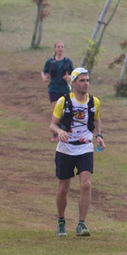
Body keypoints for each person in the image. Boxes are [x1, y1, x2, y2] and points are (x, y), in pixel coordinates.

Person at [49, 67, 103, 237]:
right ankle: (61, 220)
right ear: (73, 83)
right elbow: (52, 124)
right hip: (65, 149)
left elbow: (96, 119)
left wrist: (99, 136)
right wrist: (60, 132)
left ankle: (81, 224)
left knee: (86, 184)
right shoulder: (63, 101)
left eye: (87, 80)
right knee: (63, 188)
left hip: (85, 147)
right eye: (82, 81)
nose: (86, 83)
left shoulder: (94, 102)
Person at [42, 41, 74, 140]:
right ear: (55, 48)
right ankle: (56, 131)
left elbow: (73, 74)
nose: (60, 49)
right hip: (53, 88)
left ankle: (64, 129)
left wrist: (69, 77)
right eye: (58, 47)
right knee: (56, 109)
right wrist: (44, 77)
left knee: (65, 110)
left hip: (64, 88)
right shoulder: (50, 61)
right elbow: (44, 71)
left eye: (62, 47)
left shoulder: (68, 61)